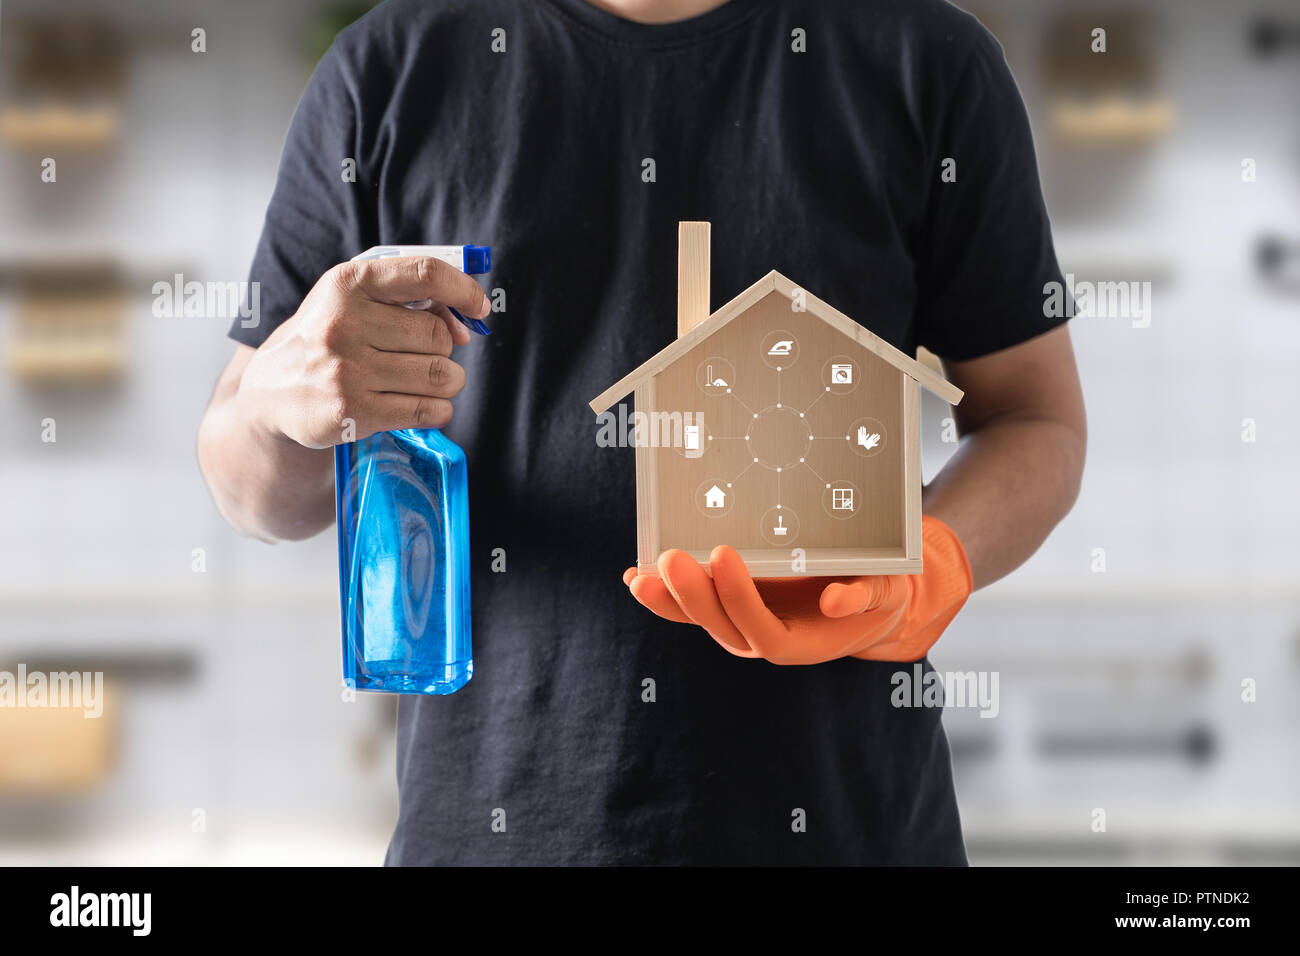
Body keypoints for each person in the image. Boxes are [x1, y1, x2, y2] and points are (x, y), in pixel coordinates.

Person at [198, 0, 1086, 865]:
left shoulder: (926, 57)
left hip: (854, 828)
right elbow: (249, 484)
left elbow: (1035, 420)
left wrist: (930, 567)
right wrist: (281, 403)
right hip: (487, 830)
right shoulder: (386, 67)